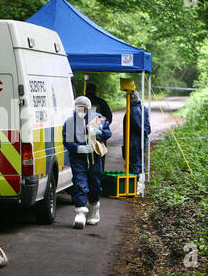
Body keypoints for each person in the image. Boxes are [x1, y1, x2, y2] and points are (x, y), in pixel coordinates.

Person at [63, 96, 112, 229]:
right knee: (80, 183)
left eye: (83, 108)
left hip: (94, 157)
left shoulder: (98, 118)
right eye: (79, 108)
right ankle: (80, 213)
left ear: (88, 108)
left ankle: (94, 210)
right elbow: (66, 141)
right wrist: (77, 148)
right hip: (78, 158)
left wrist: (99, 132)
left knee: (95, 184)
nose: (81, 111)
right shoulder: (69, 122)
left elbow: (108, 133)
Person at [122, 90, 151, 175]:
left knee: (134, 166)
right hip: (140, 142)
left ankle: (135, 186)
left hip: (133, 143)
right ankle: (140, 185)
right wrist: (145, 133)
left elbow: (138, 126)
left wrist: (143, 133)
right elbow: (148, 127)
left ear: (131, 98)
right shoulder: (143, 108)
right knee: (140, 163)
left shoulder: (132, 110)